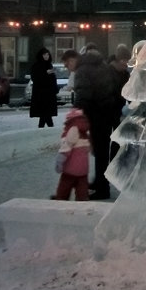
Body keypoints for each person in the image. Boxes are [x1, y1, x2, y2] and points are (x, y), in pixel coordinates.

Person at [73, 43, 119, 200]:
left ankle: (102, 188)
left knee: (99, 153)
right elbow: (112, 88)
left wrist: (77, 113)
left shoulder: (83, 69)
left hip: (94, 114)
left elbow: (83, 94)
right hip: (107, 113)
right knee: (102, 153)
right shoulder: (105, 66)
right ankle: (100, 181)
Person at [52, 107, 91, 200]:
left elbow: (67, 147)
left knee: (64, 186)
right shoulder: (84, 132)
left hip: (70, 168)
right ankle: (82, 201)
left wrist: (60, 161)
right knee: (82, 187)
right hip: (83, 169)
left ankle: (60, 199)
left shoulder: (73, 129)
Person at [29, 47, 58, 127]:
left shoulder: (49, 65)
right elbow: (35, 78)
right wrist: (46, 73)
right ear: (41, 55)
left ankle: (44, 128)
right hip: (41, 94)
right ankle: (48, 128)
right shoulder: (36, 66)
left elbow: (53, 79)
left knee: (45, 115)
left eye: (48, 54)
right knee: (45, 114)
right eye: (44, 54)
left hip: (49, 94)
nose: (46, 56)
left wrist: (55, 89)